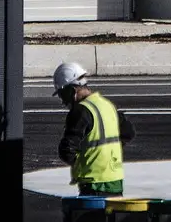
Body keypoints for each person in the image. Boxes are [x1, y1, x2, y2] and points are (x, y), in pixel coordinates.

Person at [52, 61, 135, 196]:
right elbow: (128, 132)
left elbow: (66, 150)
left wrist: (83, 164)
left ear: (72, 90)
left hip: (93, 183)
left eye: (62, 95)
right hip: (115, 181)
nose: (63, 101)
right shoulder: (107, 105)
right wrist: (107, 155)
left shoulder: (80, 111)